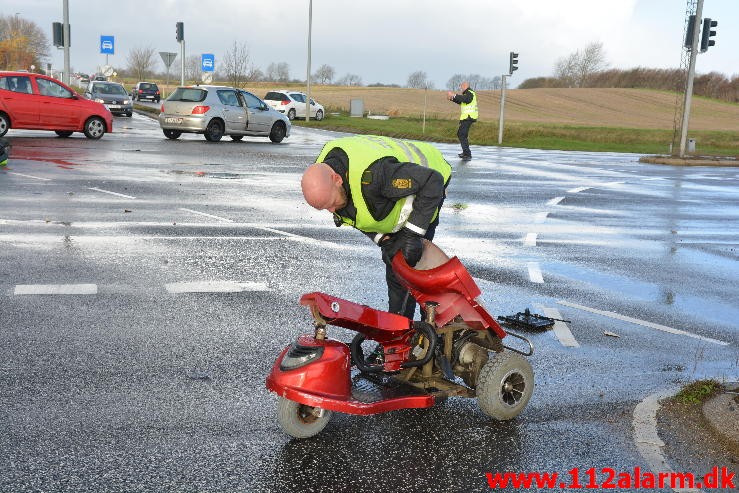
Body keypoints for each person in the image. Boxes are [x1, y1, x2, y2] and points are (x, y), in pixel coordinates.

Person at [301, 135, 452, 320]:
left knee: (416, 263)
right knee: (396, 267)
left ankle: (433, 329)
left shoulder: (376, 175)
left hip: (430, 175)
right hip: (386, 192)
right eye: (325, 208)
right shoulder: (323, 177)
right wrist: (384, 239)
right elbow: (358, 215)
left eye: (331, 203)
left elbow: (432, 182)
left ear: (337, 179)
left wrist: (412, 235)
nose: (332, 211)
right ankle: (401, 334)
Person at [447, 81, 478, 161]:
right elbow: (461, 101)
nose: (460, 88)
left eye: (461, 86)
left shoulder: (470, 93)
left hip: (468, 117)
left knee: (462, 134)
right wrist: (452, 99)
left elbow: (466, 99)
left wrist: (454, 95)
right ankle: (466, 153)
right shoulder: (467, 93)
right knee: (461, 134)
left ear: (465, 86)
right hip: (466, 118)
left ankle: (467, 154)